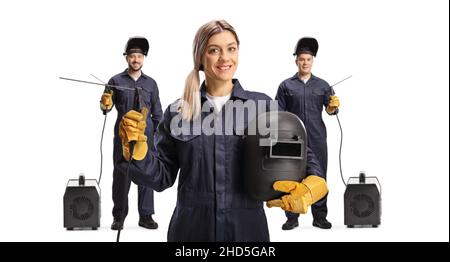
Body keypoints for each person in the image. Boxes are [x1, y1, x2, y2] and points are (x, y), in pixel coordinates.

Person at [117, 20, 328, 241]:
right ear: (200, 57)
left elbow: (302, 156)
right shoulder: (178, 112)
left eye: (231, 49)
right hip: (191, 230)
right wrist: (138, 152)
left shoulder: (264, 108)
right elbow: (161, 177)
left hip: (247, 230)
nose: (225, 58)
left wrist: (313, 184)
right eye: (214, 50)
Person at [275, 37, 340, 230]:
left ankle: (319, 216)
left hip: (317, 138)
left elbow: (331, 110)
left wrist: (333, 107)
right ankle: (291, 217)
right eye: (302, 59)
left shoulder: (323, 85)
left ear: (312, 61)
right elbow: (278, 113)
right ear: (296, 61)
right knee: (291, 176)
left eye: (308, 59)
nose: (305, 62)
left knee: (319, 176)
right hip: (292, 139)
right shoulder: (286, 86)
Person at [100, 36, 163, 230]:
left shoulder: (151, 83)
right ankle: (118, 216)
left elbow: (157, 112)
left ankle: (146, 216)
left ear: (144, 58)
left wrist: (154, 134)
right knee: (121, 175)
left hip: (145, 135)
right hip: (123, 136)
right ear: (126, 57)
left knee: (147, 173)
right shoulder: (115, 80)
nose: (136, 59)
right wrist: (105, 103)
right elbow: (105, 106)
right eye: (132, 55)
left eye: (139, 56)